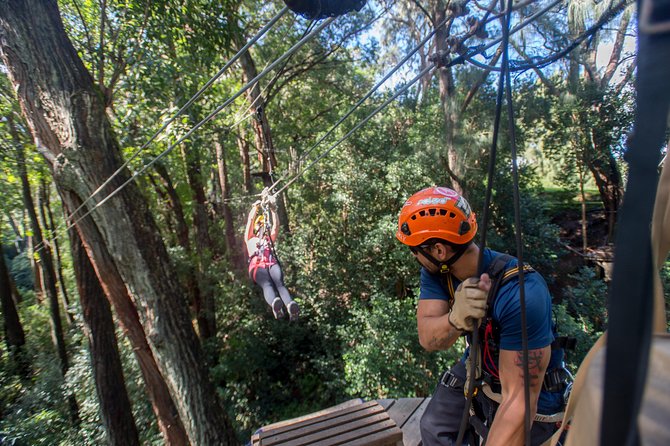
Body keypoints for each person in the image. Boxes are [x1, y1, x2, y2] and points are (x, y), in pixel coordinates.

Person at [396, 186, 569, 446]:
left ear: (439, 250)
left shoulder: (522, 294)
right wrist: (455, 319)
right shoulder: (437, 273)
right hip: (480, 367)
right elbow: (428, 338)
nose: (414, 256)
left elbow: (520, 403)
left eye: (415, 250)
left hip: (532, 389)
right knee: (435, 427)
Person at [245, 196, 299, 321]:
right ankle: (276, 304)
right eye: (261, 224)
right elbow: (249, 221)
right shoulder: (250, 238)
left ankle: (290, 305)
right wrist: (255, 209)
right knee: (267, 284)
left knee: (280, 284)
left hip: (270, 263)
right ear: (257, 227)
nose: (263, 227)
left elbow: (276, 227)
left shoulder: (268, 238)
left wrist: (274, 210)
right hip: (257, 267)